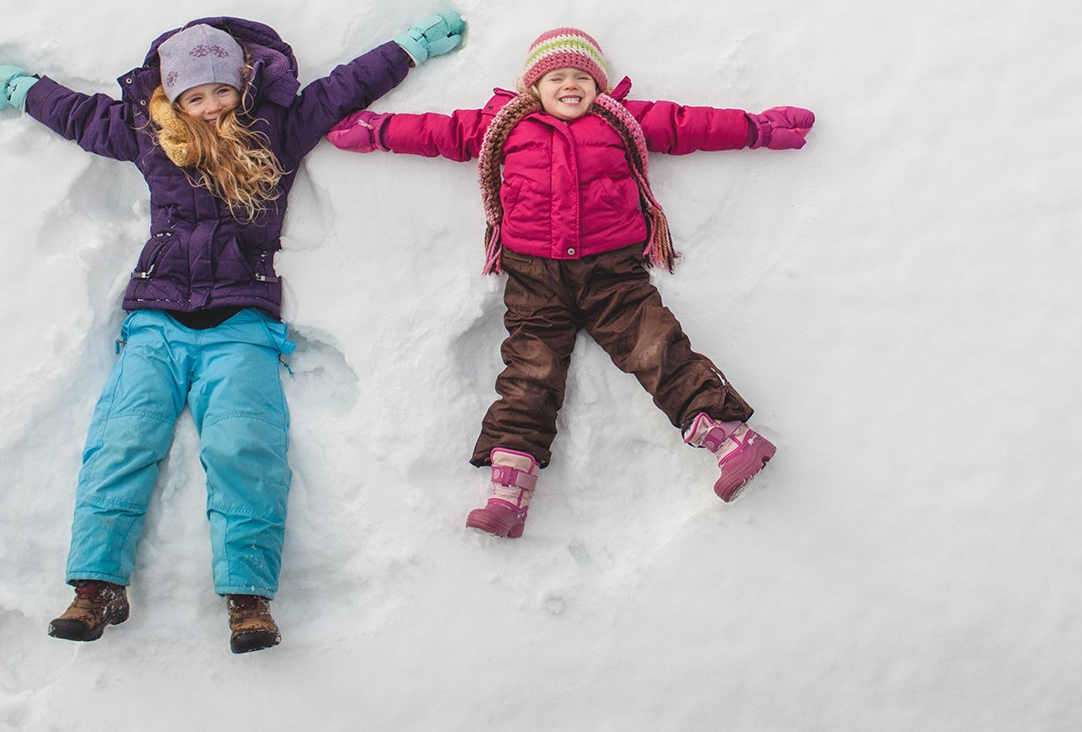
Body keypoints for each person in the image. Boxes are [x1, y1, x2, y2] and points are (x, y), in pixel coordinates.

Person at [0, 11, 465, 651]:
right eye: (195, 96)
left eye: (221, 91)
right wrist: (24, 89)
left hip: (243, 322)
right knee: (122, 441)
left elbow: (346, 87)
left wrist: (411, 46)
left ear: (242, 82)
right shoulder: (148, 132)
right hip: (155, 319)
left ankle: (248, 598)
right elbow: (80, 116)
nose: (210, 108)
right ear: (173, 95)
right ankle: (94, 587)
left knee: (245, 448)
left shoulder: (278, 129)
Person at [326, 26, 813, 538]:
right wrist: (376, 131)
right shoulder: (501, 123)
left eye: (581, 76)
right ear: (532, 87)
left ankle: (733, 441)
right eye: (555, 76)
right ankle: (509, 492)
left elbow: (691, 125)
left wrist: (758, 128)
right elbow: (436, 132)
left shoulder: (623, 119)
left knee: (657, 348)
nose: (569, 85)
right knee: (530, 373)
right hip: (534, 278)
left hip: (612, 273)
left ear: (598, 85)